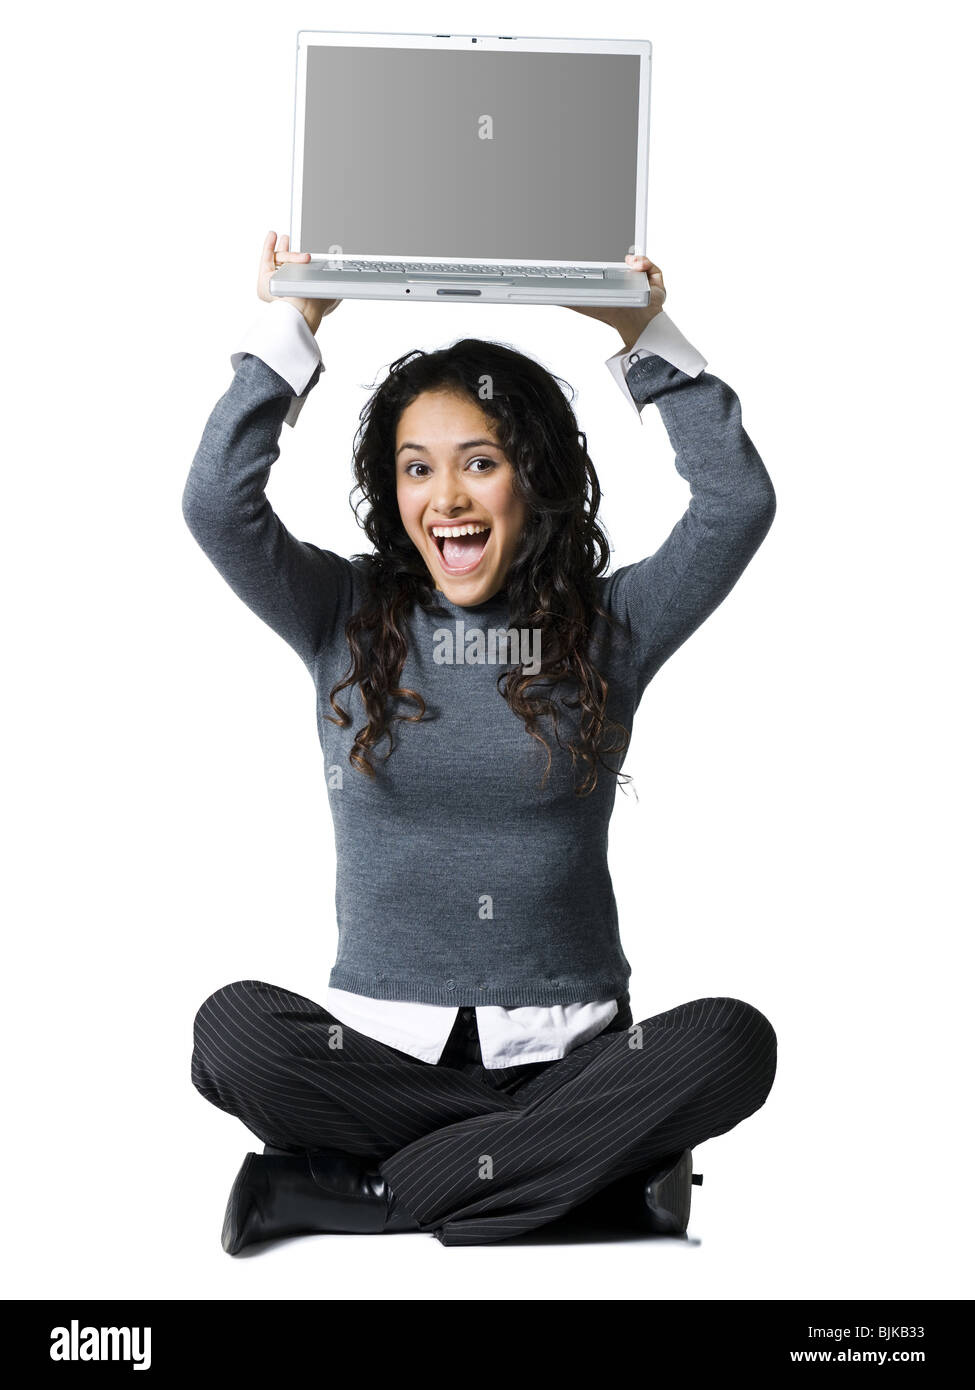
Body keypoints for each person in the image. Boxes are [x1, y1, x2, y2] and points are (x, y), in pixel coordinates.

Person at [182, 231, 778, 1253]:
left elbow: (736, 505)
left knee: (733, 1042)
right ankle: (590, 1182)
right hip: (375, 1055)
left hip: (574, 1060)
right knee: (231, 1030)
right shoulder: (341, 612)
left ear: (530, 479)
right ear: (393, 488)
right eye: (418, 468)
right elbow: (217, 507)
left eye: (480, 462)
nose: (446, 497)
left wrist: (643, 333)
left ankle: (362, 1194)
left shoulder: (609, 628)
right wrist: (297, 320)